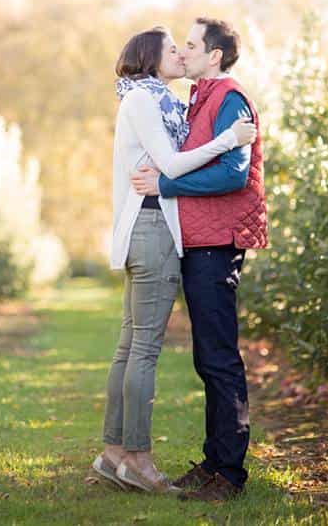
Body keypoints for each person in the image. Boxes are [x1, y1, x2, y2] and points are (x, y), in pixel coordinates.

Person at [92, 27, 257, 493]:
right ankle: (137, 461)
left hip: (150, 226)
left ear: (215, 55)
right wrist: (226, 140)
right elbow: (169, 163)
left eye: (188, 47)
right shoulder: (147, 101)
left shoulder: (165, 100)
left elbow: (190, 166)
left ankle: (115, 454)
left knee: (131, 346)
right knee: (141, 349)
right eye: (173, 48)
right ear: (150, 57)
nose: (181, 55)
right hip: (152, 228)